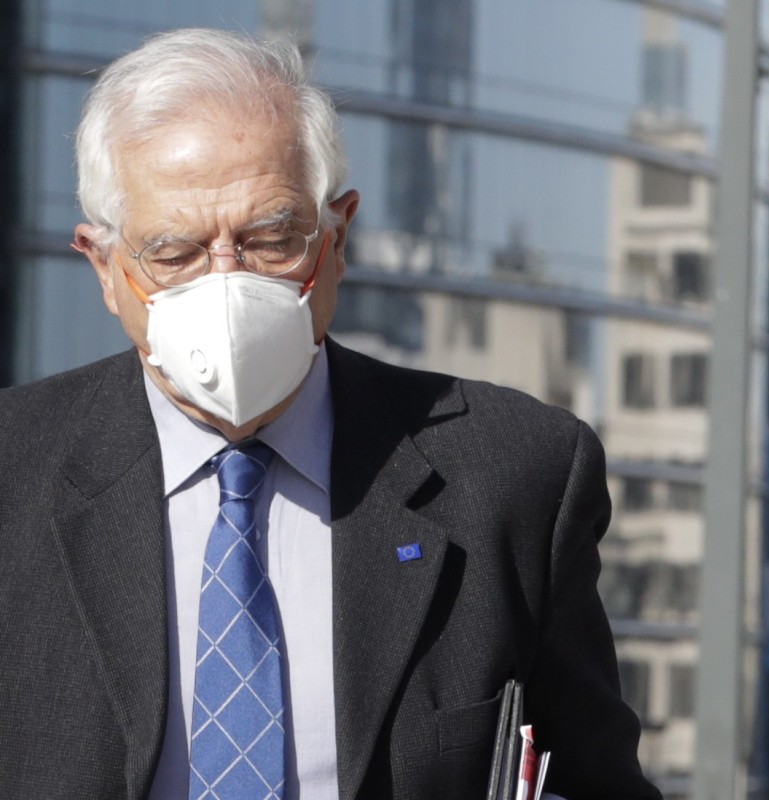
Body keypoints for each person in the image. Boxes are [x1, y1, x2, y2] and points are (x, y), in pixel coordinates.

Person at [0, 27, 661, 800]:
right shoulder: (16, 470)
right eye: (174, 255)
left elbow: (594, 779)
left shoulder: (515, 475)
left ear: (336, 237)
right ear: (105, 268)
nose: (228, 284)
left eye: (271, 239)